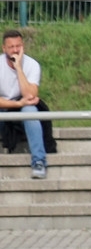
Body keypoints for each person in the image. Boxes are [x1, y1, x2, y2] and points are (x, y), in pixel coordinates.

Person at [0, 30, 50, 179]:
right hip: (4, 108)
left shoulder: (32, 65)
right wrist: (17, 103)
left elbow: (29, 95)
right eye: (11, 47)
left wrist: (18, 68)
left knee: (30, 110)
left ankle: (39, 161)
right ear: (4, 48)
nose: (15, 50)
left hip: (23, 107)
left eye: (18, 46)